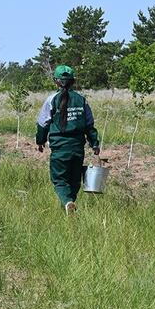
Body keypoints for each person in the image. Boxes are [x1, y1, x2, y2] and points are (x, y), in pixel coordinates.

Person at [36, 65, 100, 214]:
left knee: (59, 180)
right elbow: (89, 125)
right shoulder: (82, 100)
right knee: (74, 181)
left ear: (56, 82)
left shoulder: (52, 100)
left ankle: (67, 202)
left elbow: (42, 124)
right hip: (78, 148)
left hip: (60, 149)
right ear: (73, 81)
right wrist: (94, 143)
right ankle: (69, 208)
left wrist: (40, 141)